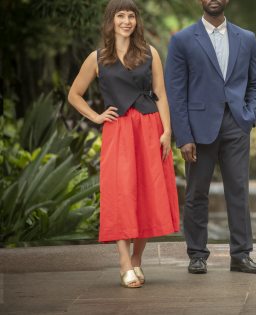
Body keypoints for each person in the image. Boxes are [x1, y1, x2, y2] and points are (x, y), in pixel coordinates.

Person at [67, 0, 180, 288]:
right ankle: (123, 262)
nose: (127, 21)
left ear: (136, 21)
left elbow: (161, 94)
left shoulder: (150, 53)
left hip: (150, 127)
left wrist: (167, 131)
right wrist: (96, 116)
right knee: (120, 192)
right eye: (121, 16)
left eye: (131, 15)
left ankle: (138, 260)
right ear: (111, 21)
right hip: (118, 131)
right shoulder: (97, 58)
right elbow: (74, 95)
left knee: (147, 191)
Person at [165, 0, 256, 274]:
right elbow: (175, 92)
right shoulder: (182, 40)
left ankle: (241, 255)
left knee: (239, 191)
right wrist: (183, 136)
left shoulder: (246, 38)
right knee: (197, 193)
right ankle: (197, 255)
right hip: (198, 130)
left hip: (236, 124)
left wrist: (250, 115)